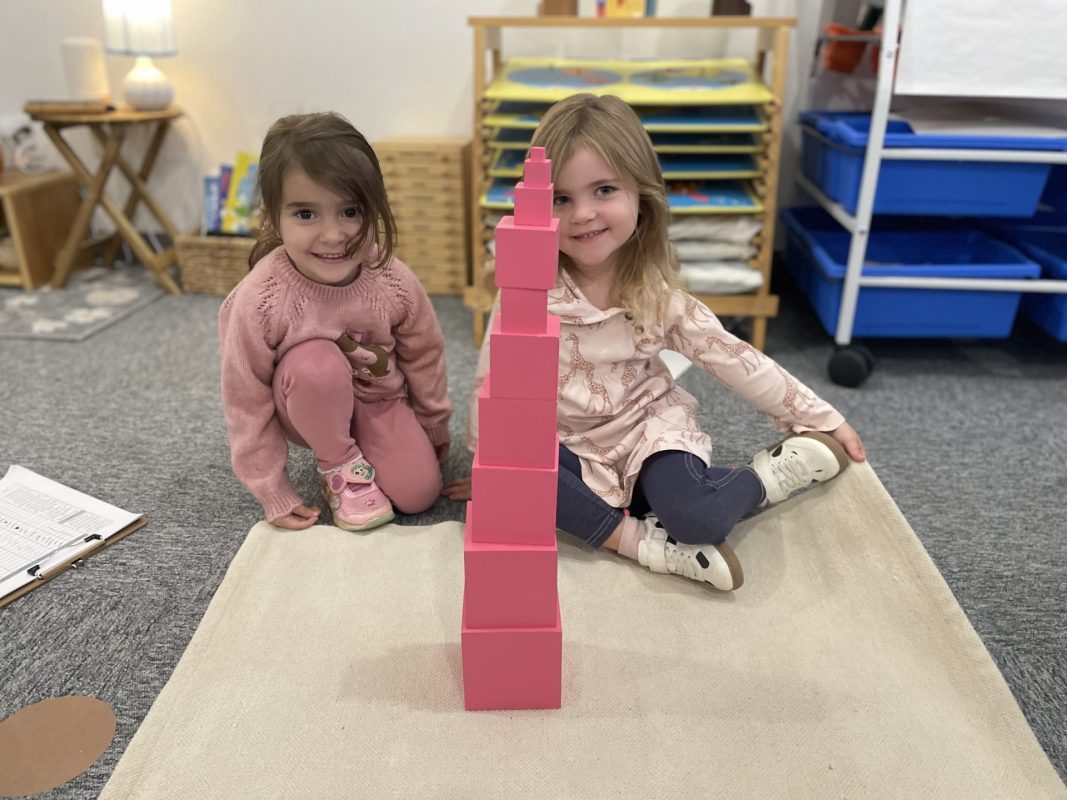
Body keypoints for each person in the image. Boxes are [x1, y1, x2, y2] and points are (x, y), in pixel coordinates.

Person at [443, 94, 865, 590]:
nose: (582, 214)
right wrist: (491, 466)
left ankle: (763, 478)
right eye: (561, 198)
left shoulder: (659, 298)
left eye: (604, 190)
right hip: (566, 445)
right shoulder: (527, 288)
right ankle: (638, 541)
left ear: (641, 194)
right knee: (525, 479)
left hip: (648, 431)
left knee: (698, 520)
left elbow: (736, 360)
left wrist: (820, 417)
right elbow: (494, 378)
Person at [220, 112, 451, 533]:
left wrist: (432, 425)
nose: (332, 235)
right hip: (306, 400)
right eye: (306, 214)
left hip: (378, 399)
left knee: (419, 495)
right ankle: (338, 463)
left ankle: (360, 444)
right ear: (272, 217)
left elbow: (424, 353)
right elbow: (245, 398)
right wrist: (271, 489)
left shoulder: (392, 281)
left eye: (349, 211)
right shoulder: (260, 299)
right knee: (317, 365)